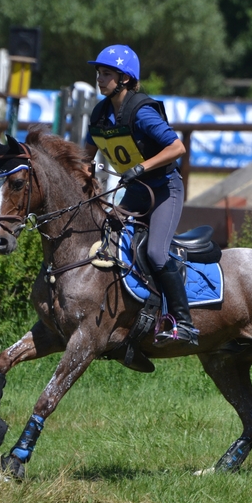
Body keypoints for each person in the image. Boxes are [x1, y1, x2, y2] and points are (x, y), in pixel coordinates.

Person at [83, 44, 197, 347]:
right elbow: (85, 159)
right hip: (135, 191)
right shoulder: (100, 113)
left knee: (157, 254)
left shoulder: (142, 111)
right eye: (98, 72)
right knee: (105, 237)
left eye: (106, 73)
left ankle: (184, 323)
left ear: (124, 79)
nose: (99, 78)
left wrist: (141, 166)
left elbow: (177, 148)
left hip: (164, 190)